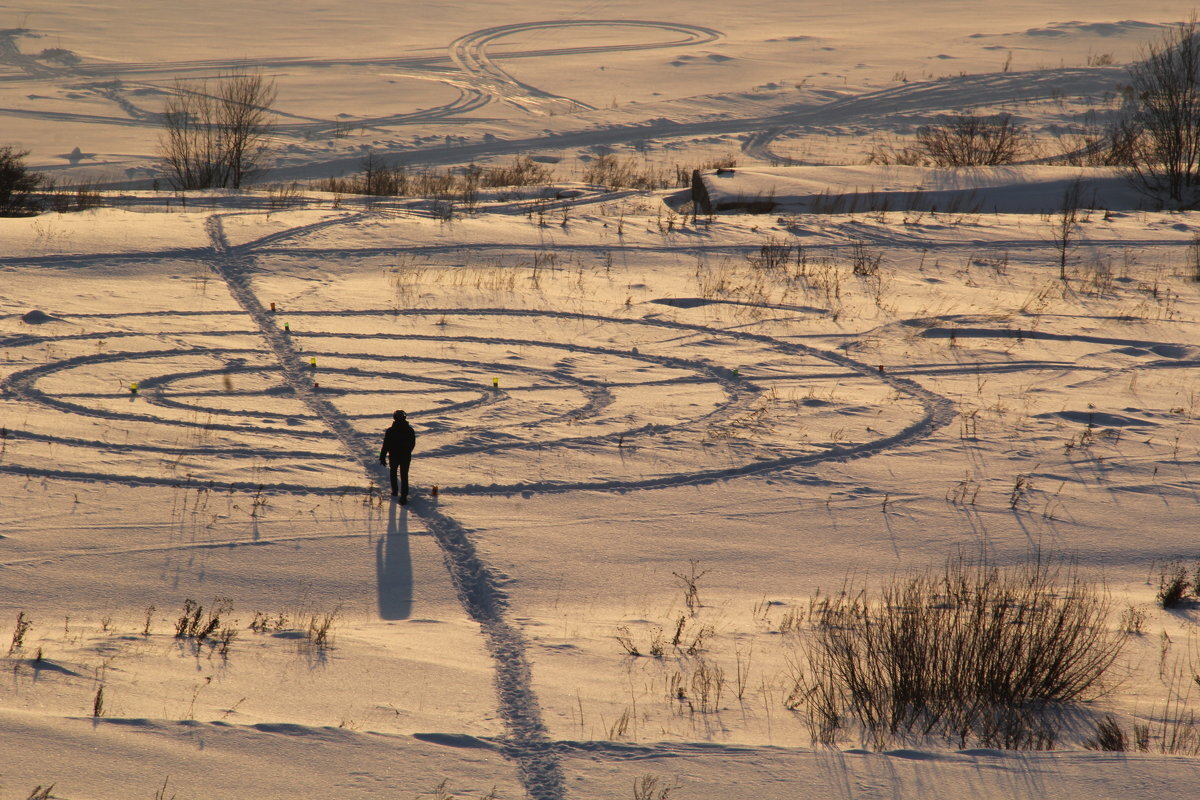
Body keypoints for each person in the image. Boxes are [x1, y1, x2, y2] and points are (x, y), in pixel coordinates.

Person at [379, 410, 416, 503]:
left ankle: (395, 491)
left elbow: (385, 445)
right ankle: (403, 496)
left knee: (393, 473)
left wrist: (382, 456)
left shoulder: (390, 431)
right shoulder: (409, 430)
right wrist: (407, 452)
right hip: (405, 456)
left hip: (394, 455)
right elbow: (412, 444)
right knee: (404, 475)